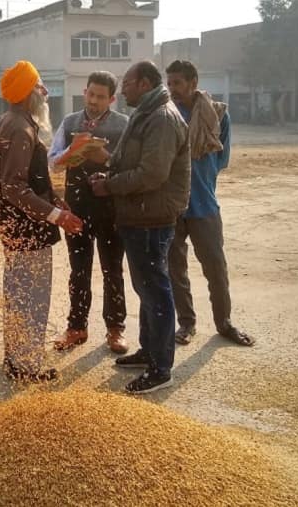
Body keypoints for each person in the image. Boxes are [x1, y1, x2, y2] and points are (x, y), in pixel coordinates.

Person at [90, 61, 190, 394]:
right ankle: (149, 351)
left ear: (144, 83)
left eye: (127, 84)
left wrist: (111, 187)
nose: (124, 90)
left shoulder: (161, 118)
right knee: (147, 289)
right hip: (139, 215)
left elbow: (152, 174)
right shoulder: (146, 113)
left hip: (152, 218)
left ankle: (161, 368)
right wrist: (110, 174)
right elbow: (130, 161)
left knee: (156, 291)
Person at [0, 60, 83, 382]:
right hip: (26, 229)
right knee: (30, 298)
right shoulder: (20, 127)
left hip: (20, 226)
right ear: (28, 93)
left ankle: (16, 359)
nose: (45, 92)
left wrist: (54, 200)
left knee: (20, 294)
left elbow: (30, 179)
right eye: (39, 86)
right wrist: (57, 215)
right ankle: (25, 366)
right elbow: (14, 186)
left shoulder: (17, 122)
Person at [165, 60, 255, 348]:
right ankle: (186, 324)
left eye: (177, 82)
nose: (172, 88)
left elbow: (221, 160)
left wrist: (197, 177)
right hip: (172, 207)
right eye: (170, 83)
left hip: (204, 206)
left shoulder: (217, 115)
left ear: (193, 83)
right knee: (175, 268)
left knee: (216, 267)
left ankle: (224, 322)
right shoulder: (166, 115)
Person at [48, 71, 129, 354]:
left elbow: (131, 168)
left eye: (101, 97)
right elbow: (53, 163)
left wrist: (104, 158)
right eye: (91, 95)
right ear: (85, 92)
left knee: (113, 270)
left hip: (111, 210)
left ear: (112, 99)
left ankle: (115, 328)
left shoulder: (124, 126)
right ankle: (77, 327)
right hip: (77, 210)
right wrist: (73, 152)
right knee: (79, 271)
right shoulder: (70, 122)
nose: (94, 101)